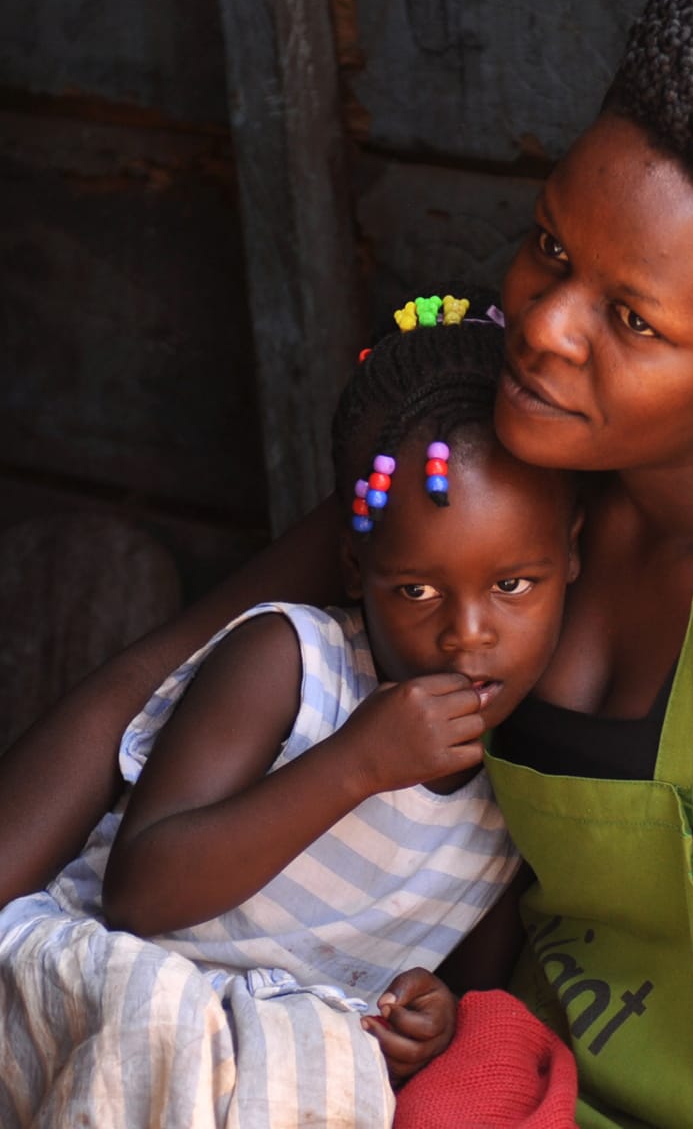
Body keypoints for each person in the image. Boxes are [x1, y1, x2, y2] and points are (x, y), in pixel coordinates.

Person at [0, 0, 693, 1129]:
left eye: (630, 321)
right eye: (549, 248)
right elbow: (145, 688)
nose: (542, 327)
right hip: (491, 1085)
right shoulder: (486, 467)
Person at [0, 308, 583, 1128]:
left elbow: (468, 981)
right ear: (354, 567)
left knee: (329, 1072)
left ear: (573, 557)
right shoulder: (292, 663)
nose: (467, 633)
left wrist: (432, 1012)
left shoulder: (517, 792)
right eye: (415, 590)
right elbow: (142, 894)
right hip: (120, 993)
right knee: (168, 1023)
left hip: (273, 1062)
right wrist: (355, 766)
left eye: (514, 585)